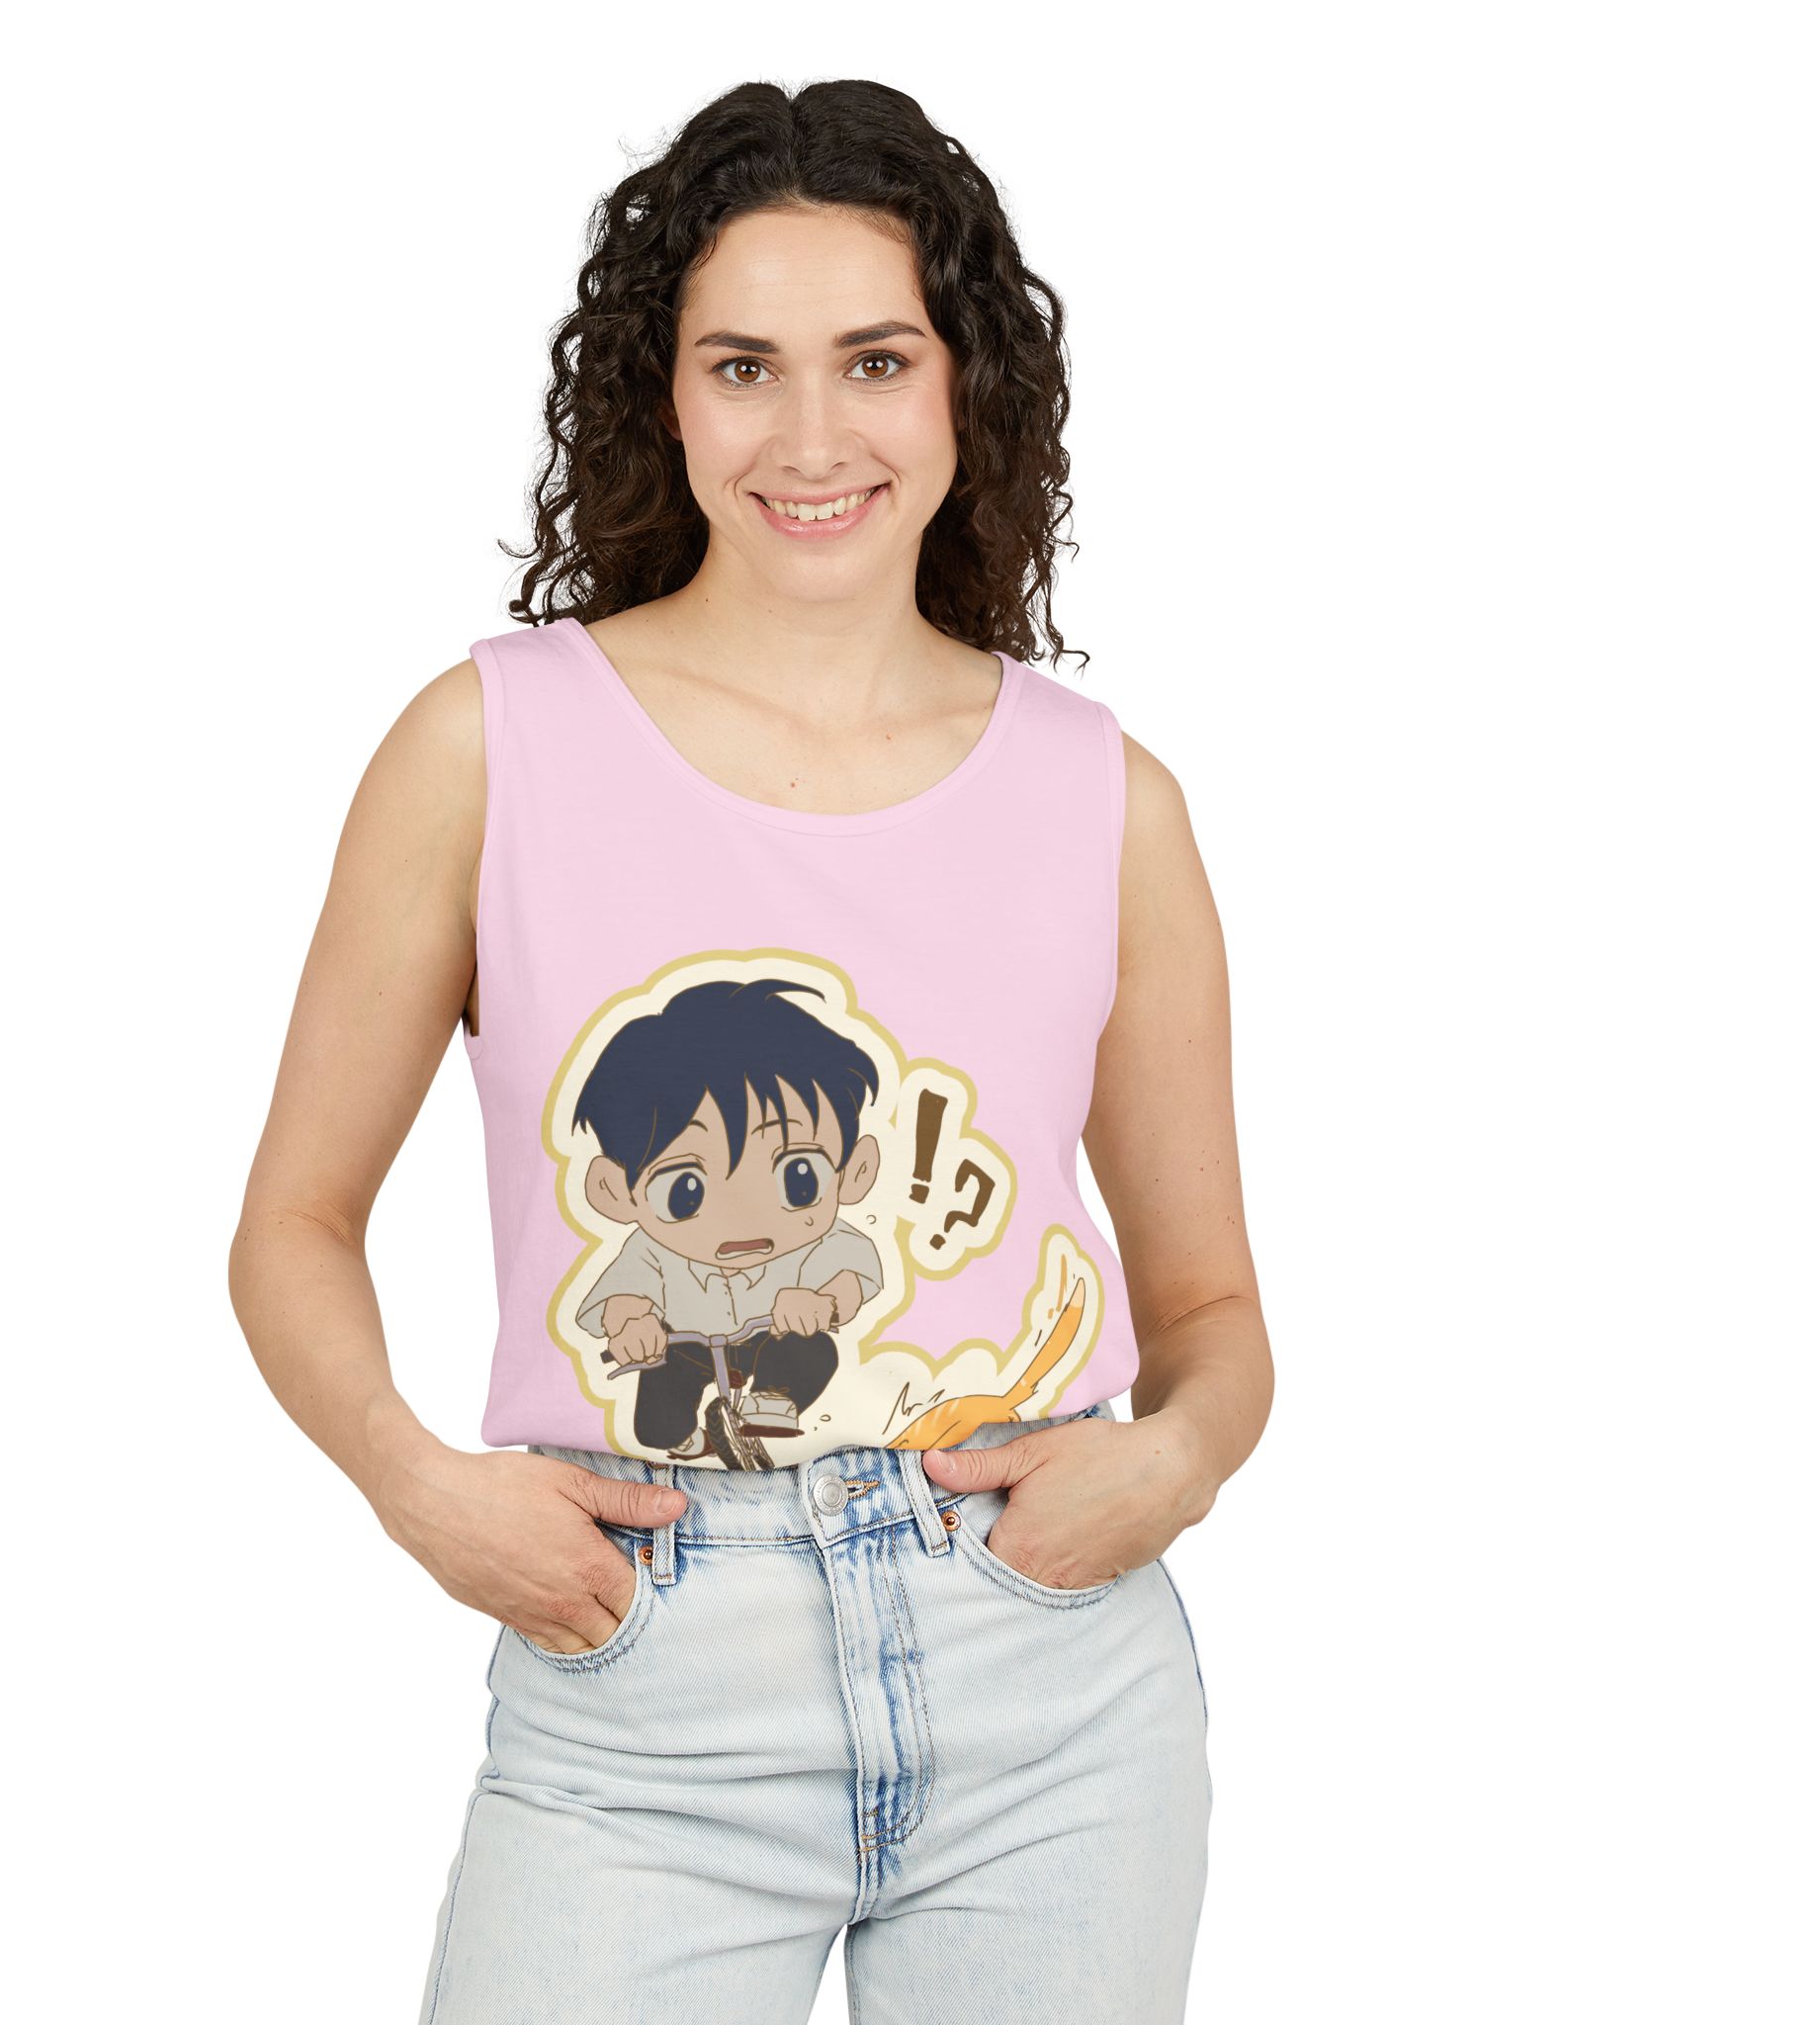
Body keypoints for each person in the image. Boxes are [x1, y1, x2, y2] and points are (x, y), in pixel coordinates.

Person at [228, 77, 1272, 2025]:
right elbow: (292, 1221)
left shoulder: (1107, 801)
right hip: (644, 1680)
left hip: (1054, 1686)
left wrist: (1177, 1462)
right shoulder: (486, 746)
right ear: (666, 394)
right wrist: (414, 1482)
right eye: (742, 367)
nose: (810, 437)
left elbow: (1210, 1303)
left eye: (875, 360)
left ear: (965, 389)